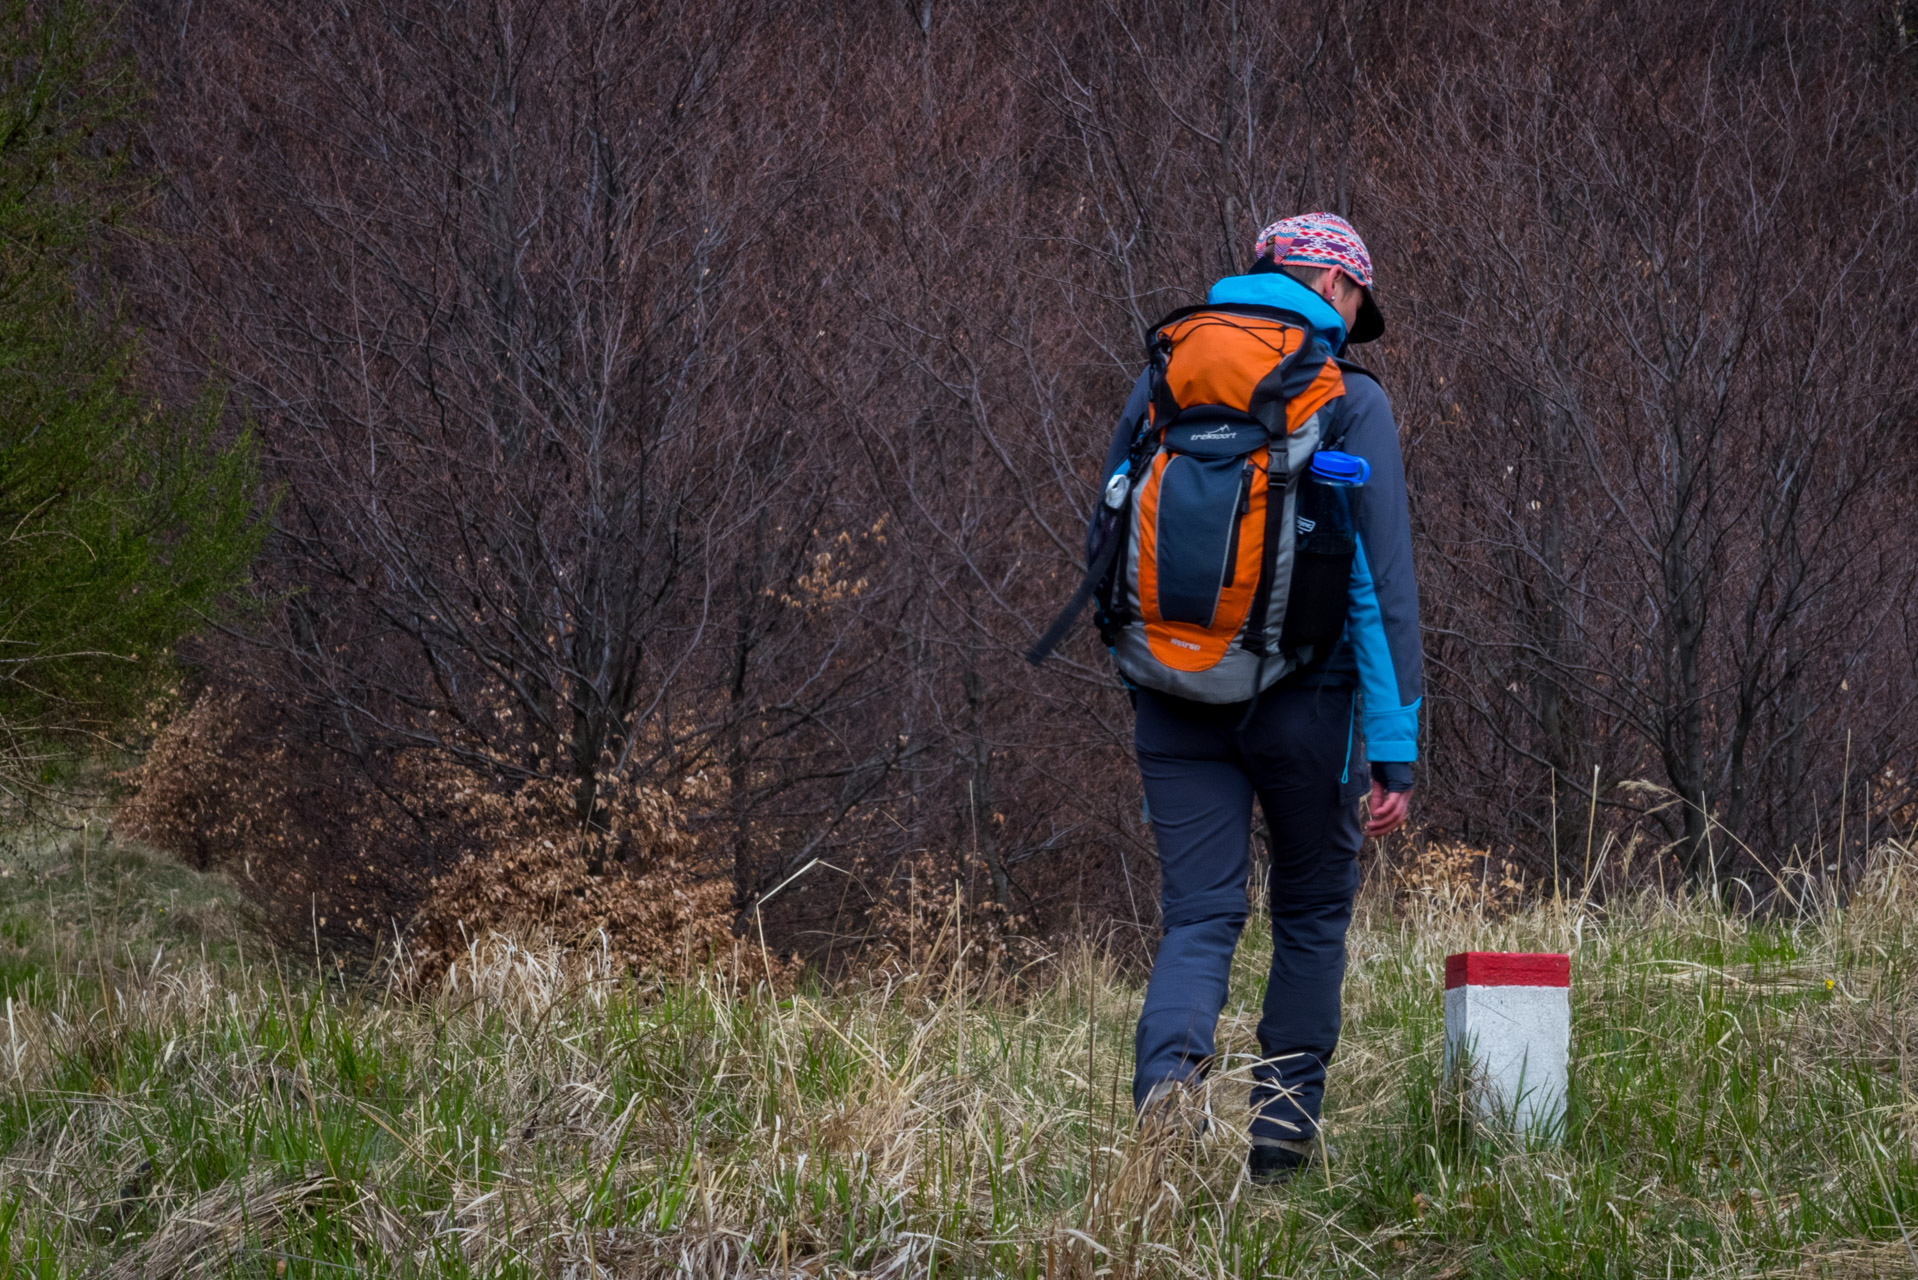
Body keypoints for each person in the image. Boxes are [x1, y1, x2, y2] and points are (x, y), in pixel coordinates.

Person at [1096, 213, 1421, 1184]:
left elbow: (1108, 540)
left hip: (1170, 693)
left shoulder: (1167, 369)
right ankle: (1278, 1148)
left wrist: (1144, 678)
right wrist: (1395, 750)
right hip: (1306, 703)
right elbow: (1385, 583)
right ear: (1335, 285)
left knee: (1197, 915)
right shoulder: (1350, 397)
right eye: (1356, 297)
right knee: (1312, 911)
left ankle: (1166, 1105)